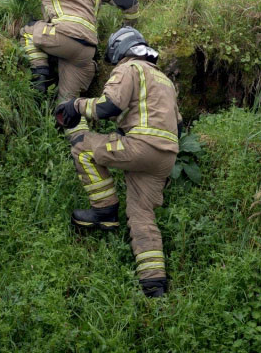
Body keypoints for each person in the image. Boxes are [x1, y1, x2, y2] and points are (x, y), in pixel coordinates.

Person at [55, 27, 182, 298]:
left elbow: (107, 107)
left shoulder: (130, 68)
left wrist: (75, 106)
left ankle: (104, 211)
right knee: (141, 215)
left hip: (140, 147)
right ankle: (154, 286)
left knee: (82, 147)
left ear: (120, 49)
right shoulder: (165, 81)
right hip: (165, 156)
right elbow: (177, 127)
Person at [7, 0, 139, 106]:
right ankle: (71, 129)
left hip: (59, 37)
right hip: (86, 51)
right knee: (67, 108)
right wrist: (129, 27)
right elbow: (129, 0)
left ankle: (39, 77)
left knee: (28, 31)